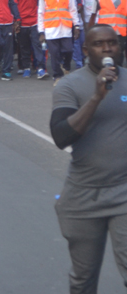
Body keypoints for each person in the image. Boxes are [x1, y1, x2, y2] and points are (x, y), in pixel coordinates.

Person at [51, 25, 127, 294]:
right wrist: (97, 96)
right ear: (86, 50)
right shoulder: (70, 85)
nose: (107, 49)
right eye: (99, 44)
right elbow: (61, 137)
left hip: (124, 193)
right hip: (84, 197)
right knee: (83, 280)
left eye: (113, 43)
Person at [39, 0, 82, 83]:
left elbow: (73, 9)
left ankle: (66, 66)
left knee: (68, 50)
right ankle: (57, 75)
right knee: (54, 53)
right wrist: (41, 32)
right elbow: (40, 13)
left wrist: (76, 26)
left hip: (65, 28)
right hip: (51, 29)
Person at [88, 0, 127, 65]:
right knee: (107, 55)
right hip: (106, 33)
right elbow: (93, 16)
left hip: (121, 33)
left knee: (119, 55)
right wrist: (89, 33)